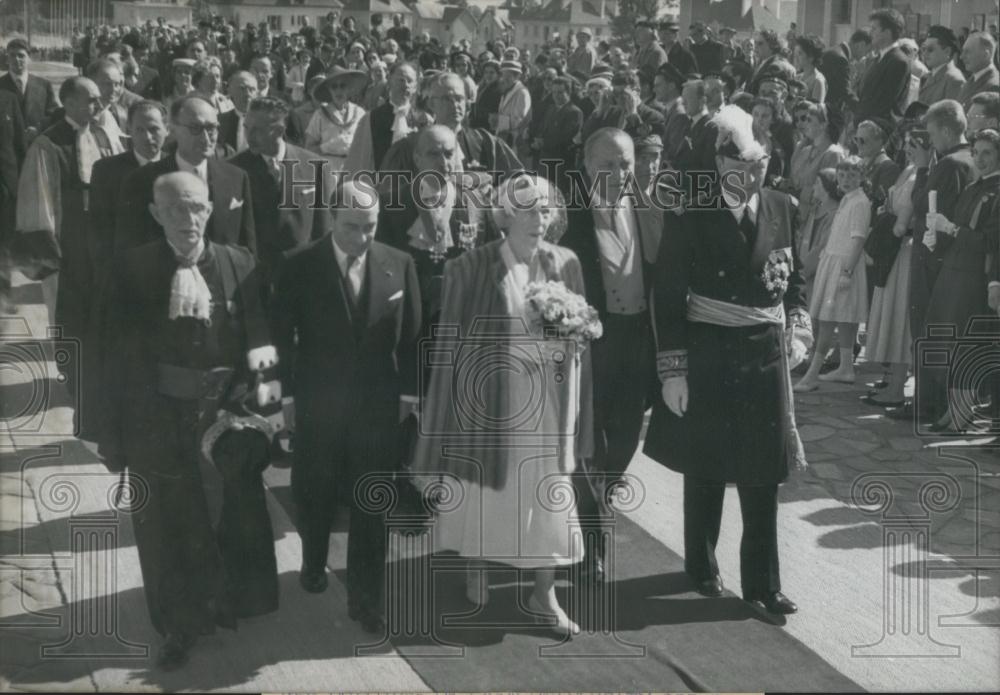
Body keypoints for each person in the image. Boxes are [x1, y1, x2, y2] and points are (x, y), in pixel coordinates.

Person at [99, 171, 282, 670]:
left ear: (210, 211)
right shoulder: (132, 270)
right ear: (156, 213)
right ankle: (179, 625)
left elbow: (261, 343)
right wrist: (112, 438)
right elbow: (111, 359)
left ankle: (227, 604)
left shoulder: (237, 262)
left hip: (227, 416)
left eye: (197, 208)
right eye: (176, 209)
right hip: (157, 422)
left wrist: (266, 415)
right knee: (167, 527)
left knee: (233, 516)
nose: (189, 219)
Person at [644, 105, 810, 615]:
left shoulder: (783, 205)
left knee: (765, 471)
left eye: (759, 164)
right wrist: (673, 369)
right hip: (708, 348)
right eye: (741, 164)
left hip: (764, 350)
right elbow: (668, 293)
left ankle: (763, 583)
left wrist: (800, 326)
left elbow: (793, 278)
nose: (753, 174)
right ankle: (703, 564)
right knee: (708, 466)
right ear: (719, 165)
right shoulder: (691, 212)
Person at [411, 174, 591, 636]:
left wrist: (570, 340)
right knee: (486, 491)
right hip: (491, 404)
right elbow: (453, 344)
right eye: (529, 210)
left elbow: (583, 329)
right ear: (505, 216)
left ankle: (543, 591)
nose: (540, 220)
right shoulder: (471, 268)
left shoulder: (566, 262)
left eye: (546, 210)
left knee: (548, 493)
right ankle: (477, 563)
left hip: (548, 403)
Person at [272, 179, 421, 635]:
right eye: (352, 226)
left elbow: (414, 338)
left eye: (370, 226)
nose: (362, 237)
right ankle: (313, 560)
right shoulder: (298, 266)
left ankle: (367, 597)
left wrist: (409, 397)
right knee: (316, 491)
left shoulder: (400, 264)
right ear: (333, 218)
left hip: (377, 407)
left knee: (372, 502)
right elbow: (280, 338)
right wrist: (287, 399)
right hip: (319, 403)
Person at [562, 128, 661, 584]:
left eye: (625, 164)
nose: (619, 174)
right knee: (591, 443)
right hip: (591, 342)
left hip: (637, 336)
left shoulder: (646, 207)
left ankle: (598, 501)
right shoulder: (567, 216)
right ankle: (593, 541)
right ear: (586, 167)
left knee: (623, 440)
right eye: (608, 165)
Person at [15, 76, 123, 342]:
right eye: (91, 100)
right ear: (69, 102)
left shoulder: (102, 136)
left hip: (100, 242)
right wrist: (50, 255)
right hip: (66, 245)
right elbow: (37, 203)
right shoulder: (47, 146)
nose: (99, 105)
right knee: (68, 317)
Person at [921, 129, 1000, 432]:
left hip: (973, 277)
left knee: (966, 344)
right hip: (953, 272)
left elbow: (991, 240)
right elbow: (954, 227)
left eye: (987, 153)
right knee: (949, 341)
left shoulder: (996, 191)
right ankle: (952, 410)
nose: (979, 159)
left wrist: (952, 230)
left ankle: (963, 412)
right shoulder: (972, 188)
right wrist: (936, 237)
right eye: (976, 152)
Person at [902, 99, 975, 423]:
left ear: (946, 130)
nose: (929, 142)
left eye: (932, 134)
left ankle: (927, 404)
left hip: (932, 258)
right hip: (950, 259)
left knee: (928, 330)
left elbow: (922, 206)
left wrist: (920, 167)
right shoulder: (971, 159)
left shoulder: (948, 165)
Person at [115, 96, 256, 255]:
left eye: (211, 128)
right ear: (174, 130)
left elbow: (248, 252)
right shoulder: (142, 181)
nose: (205, 137)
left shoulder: (236, 177)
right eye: (195, 128)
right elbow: (129, 251)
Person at [795, 156, 872, 391]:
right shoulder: (848, 200)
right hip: (834, 261)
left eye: (852, 175)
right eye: (842, 175)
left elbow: (858, 239)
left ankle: (811, 375)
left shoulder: (860, 202)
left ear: (861, 177)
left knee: (828, 320)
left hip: (844, 265)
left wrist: (846, 272)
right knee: (844, 319)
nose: (846, 180)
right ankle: (846, 368)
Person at [229, 97, 323, 284]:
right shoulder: (233, 169)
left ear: (279, 130)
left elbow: (323, 226)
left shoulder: (314, 165)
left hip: (303, 275)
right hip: (256, 278)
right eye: (247, 128)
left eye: (258, 130)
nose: (249, 136)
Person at [862, 128, 920, 409]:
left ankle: (897, 386)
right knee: (890, 311)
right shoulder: (909, 168)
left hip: (903, 248)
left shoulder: (920, 172)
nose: (909, 148)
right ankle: (892, 379)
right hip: (894, 246)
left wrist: (892, 217)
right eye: (908, 143)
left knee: (899, 316)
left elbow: (903, 220)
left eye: (915, 144)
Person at [380, 72, 522, 184]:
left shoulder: (486, 143)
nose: (455, 105)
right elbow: (392, 198)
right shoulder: (409, 147)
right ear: (431, 104)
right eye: (447, 99)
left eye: (459, 98)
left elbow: (518, 184)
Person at [344, 61, 417, 176]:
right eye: (401, 80)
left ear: (415, 87)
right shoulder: (371, 119)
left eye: (410, 81)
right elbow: (357, 162)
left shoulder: (422, 120)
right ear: (389, 81)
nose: (406, 85)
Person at [304, 67, 369, 174]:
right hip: (328, 171)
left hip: (354, 170)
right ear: (329, 90)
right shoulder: (320, 115)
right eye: (334, 87)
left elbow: (367, 146)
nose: (338, 91)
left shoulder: (360, 113)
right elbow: (308, 149)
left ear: (349, 89)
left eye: (342, 86)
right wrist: (326, 147)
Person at [855, 8, 909, 122]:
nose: (870, 33)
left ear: (887, 33)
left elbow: (884, 104)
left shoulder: (898, 61)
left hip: (878, 131)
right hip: (863, 125)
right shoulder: (877, 59)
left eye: (874, 29)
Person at [0, 38, 58, 142]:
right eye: (12, 55)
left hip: (36, 145)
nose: (16, 59)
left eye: (21, 55)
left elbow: (54, 115)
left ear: (29, 58)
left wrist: (39, 129)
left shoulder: (44, 85)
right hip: (6, 149)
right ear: (7, 59)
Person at [797, 168, 841, 298]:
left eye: (817, 182)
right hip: (804, 274)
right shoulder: (815, 209)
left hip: (817, 277)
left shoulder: (835, 215)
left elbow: (820, 249)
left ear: (826, 187)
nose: (814, 186)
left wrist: (800, 274)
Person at [537, 76, 583, 194]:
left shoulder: (574, 112)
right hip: (545, 160)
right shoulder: (551, 108)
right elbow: (543, 128)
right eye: (554, 92)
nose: (556, 95)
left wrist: (544, 143)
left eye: (560, 92)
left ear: (568, 93)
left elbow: (566, 137)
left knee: (559, 196)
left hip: (561, 164)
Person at [919, 26, 965, 105]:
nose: (925, 53)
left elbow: (951, 115)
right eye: (923, 48)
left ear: (947, 51)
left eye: (930, 49)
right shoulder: (930, 75)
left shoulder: (954, 80)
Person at [958, 32, 1000, 112]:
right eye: (963, 51)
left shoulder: (994, 86)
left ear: (986, 54)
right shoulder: (972, 80)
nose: (961, 57)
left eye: (967, 52)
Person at [496, 60, 532, 152]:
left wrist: (499, 120)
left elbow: (519, 120)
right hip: (503, 137)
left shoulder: (522, 92)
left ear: (517, 76)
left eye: (508, 76)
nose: (504, 79)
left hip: (513, 139)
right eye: (503, 75)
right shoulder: (506, 89)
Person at [220, 71, 258, 152]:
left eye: (252, 89)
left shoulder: (266, 122)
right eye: (242, 88)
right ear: (230, 91)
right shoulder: (220, 121)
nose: (247, 94)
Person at [793, 34, 827, 103]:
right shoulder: (797, 78)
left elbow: (817, 109)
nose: (796, 57)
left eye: (800, 53)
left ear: (811, 57)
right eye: (795, 53)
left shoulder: (818, 81)